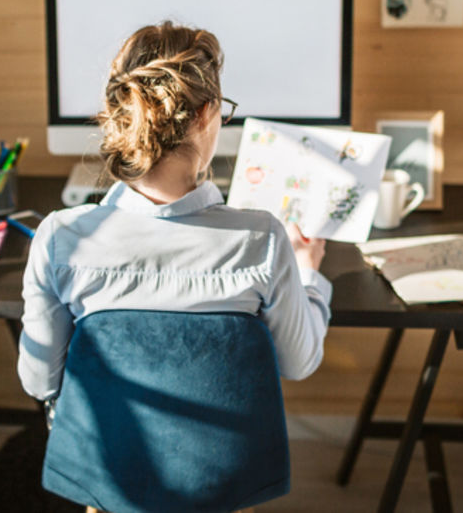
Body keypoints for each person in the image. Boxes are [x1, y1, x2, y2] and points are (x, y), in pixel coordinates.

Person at [17, 21, 332, 405]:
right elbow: (299, 363)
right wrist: (309, 272)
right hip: (227, 465)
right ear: (205, 115)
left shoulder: (60, 239)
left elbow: (40, 383)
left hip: (101, 465)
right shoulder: (261, 241)